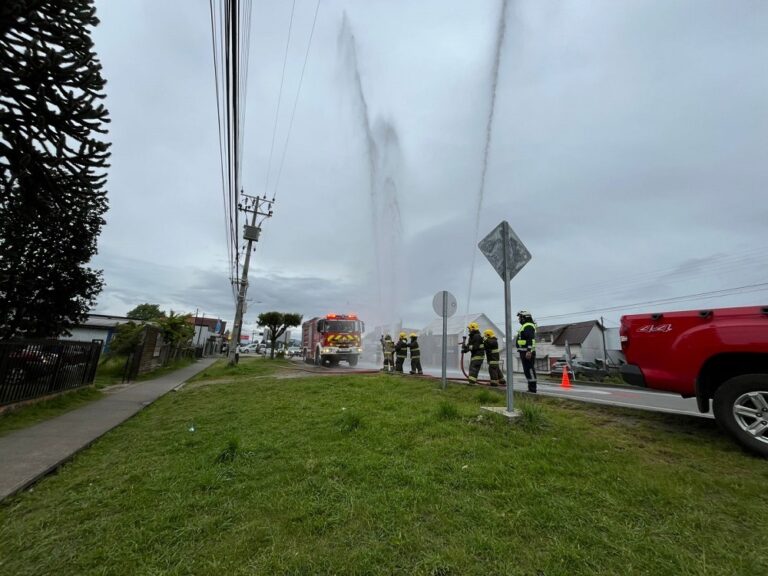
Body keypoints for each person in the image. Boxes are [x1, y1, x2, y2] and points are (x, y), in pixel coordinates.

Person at [516, 310, 537, 392]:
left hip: (527, 352)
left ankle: (533, 389)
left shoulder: (528, 326)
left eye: (520, 317)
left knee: (530, 370)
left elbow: (530, 339)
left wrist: (529, 351)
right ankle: (531, 388)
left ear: (525, 318)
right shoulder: (525, 326)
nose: (519, 319)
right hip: (523, 351)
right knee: (527, 370)